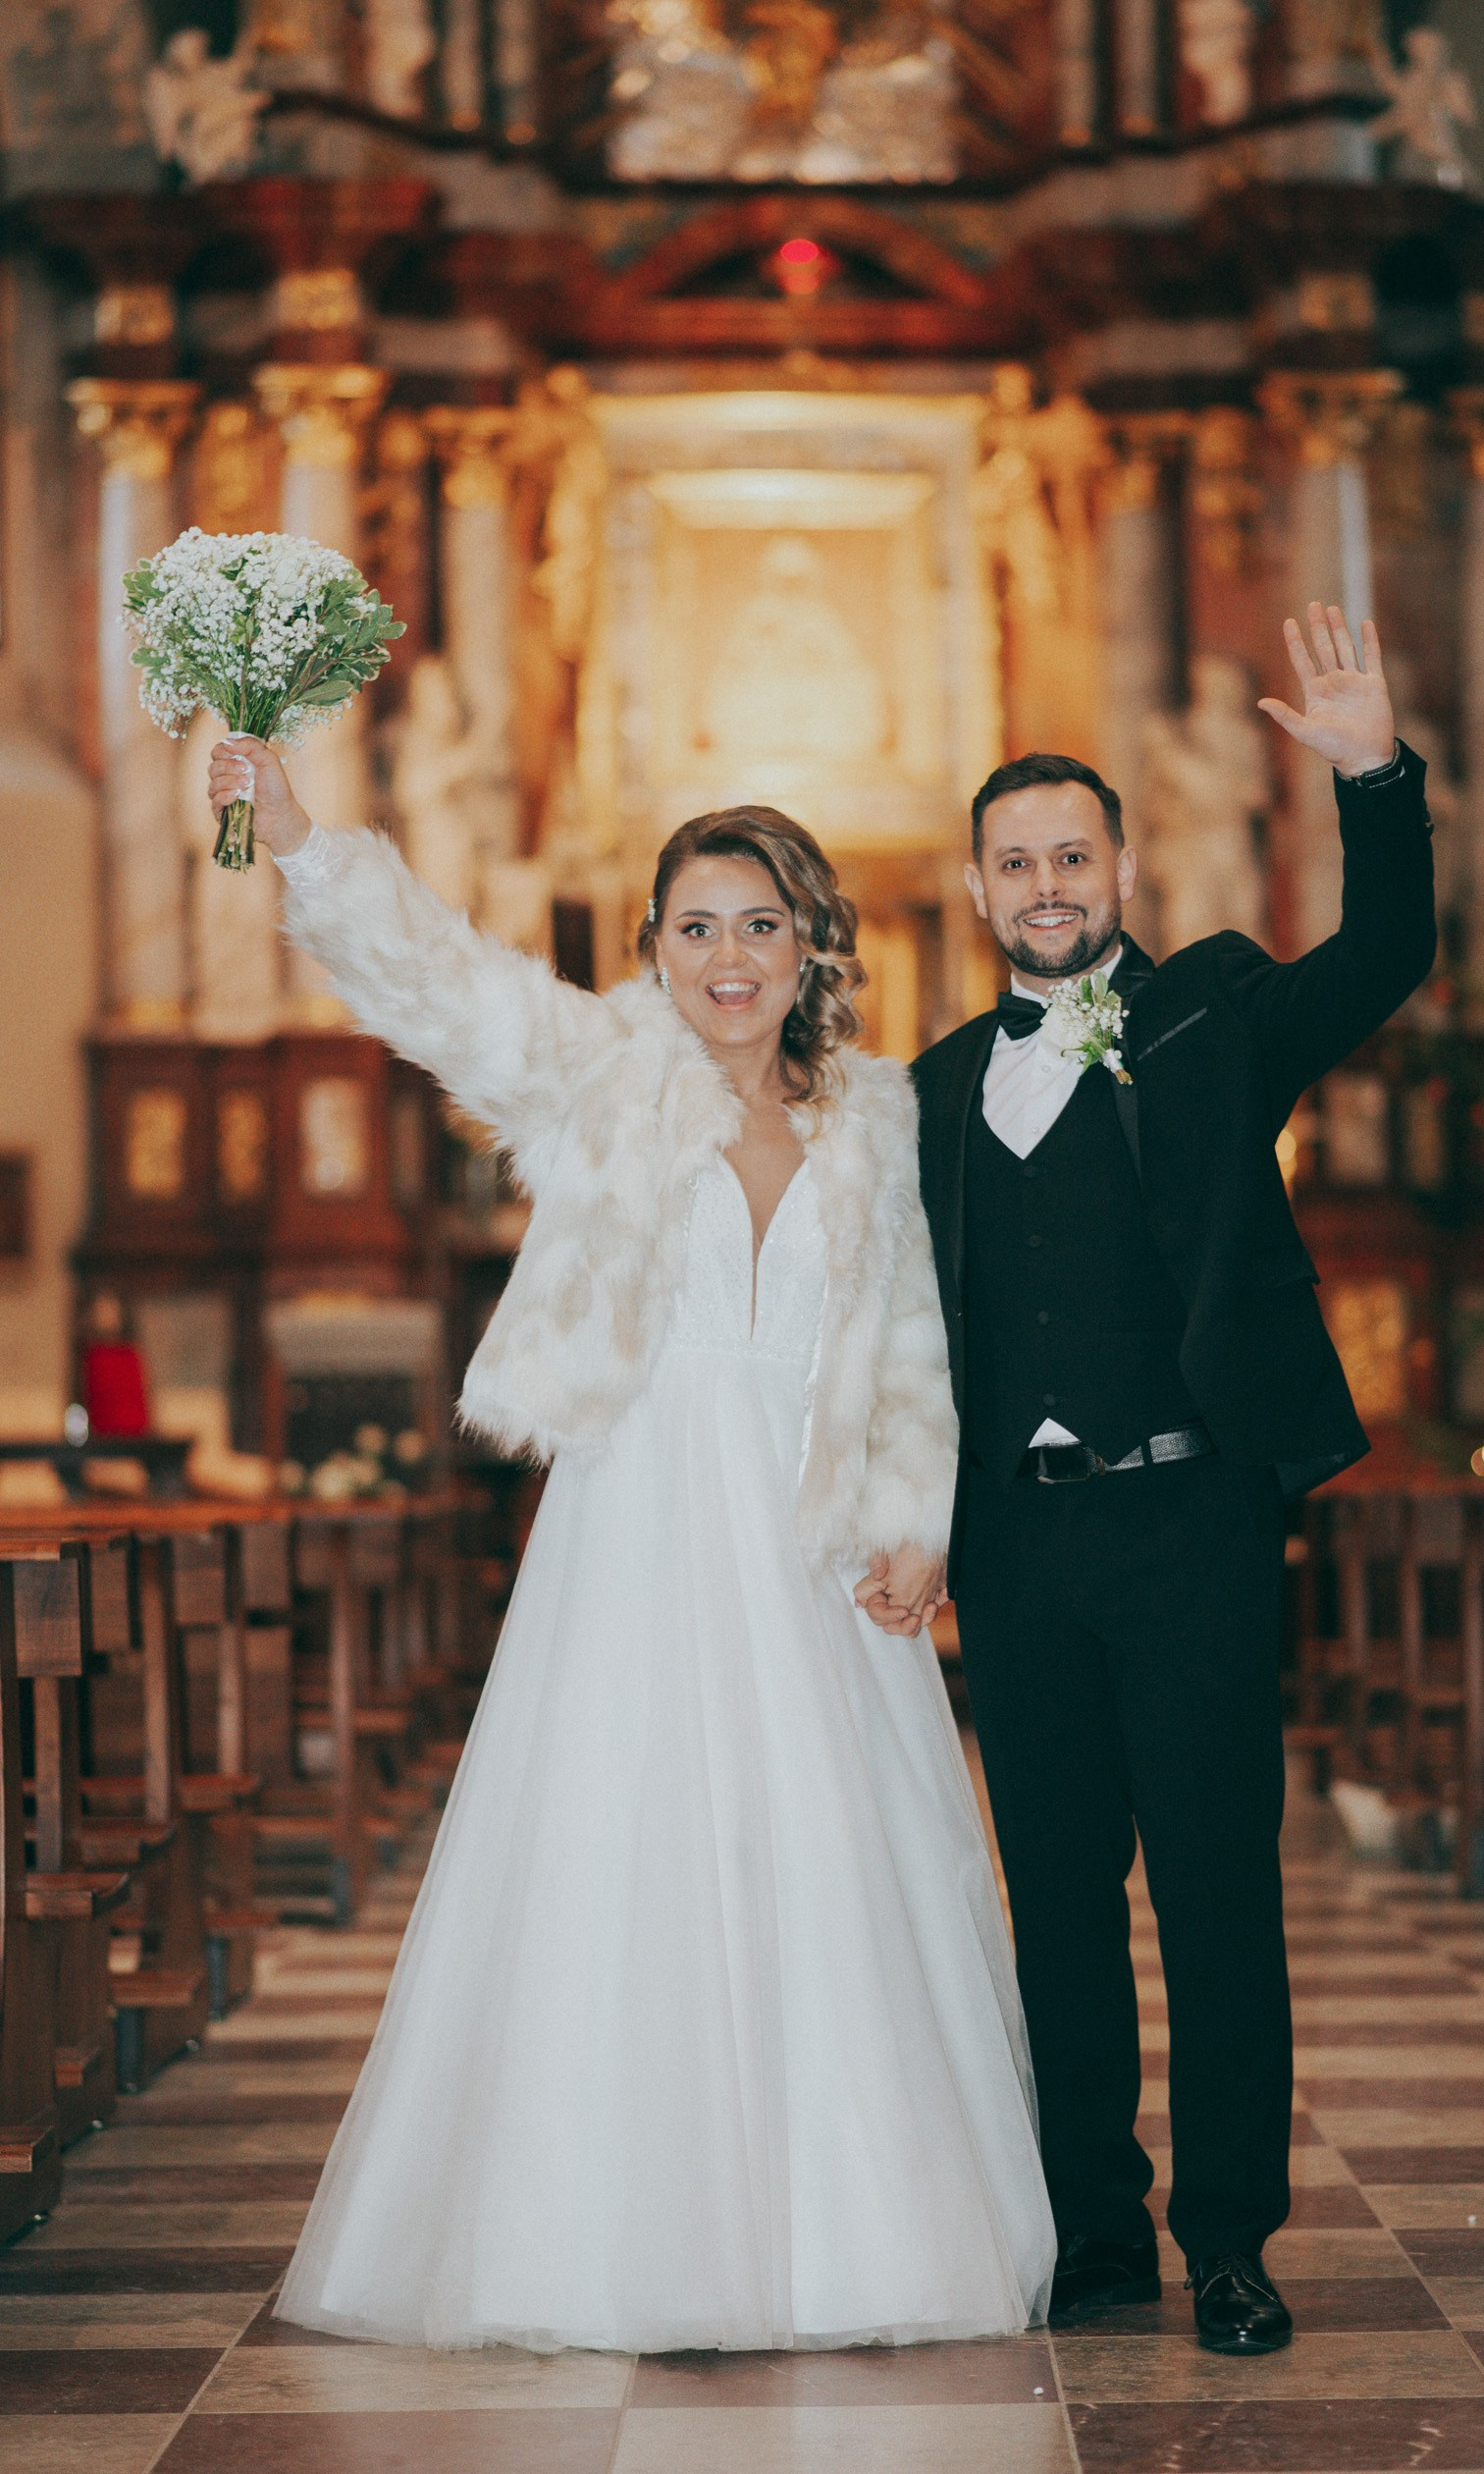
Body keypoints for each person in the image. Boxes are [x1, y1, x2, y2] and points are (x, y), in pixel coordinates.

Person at [205, 734, 1057, 2353]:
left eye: (758, 926)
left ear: (809, 945)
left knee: (820, 1864)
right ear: (651, 945)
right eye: (694, 927)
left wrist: (918, 1528)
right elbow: (438, 982)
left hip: (811, 1552)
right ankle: (602, 2235)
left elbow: (918, 1350)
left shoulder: (879, 1118)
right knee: (623, 1849)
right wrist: (305, 836)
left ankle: (840, 2237)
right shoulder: (599, 1073)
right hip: (640, 1522)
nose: (726, 959)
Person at [900, 604, 1435, 2354]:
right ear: (979, 892)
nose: (1047, 881)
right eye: (1015, 861)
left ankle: (1228, 2243)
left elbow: (1386, 953)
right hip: (1024, 1549)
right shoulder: (931, 1091)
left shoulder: (1212, 1015)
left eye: (1072, 850)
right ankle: (1095, 2239)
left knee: (1217, 1899)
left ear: (1119, 864)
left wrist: (1374, 776)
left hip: (1197, 1521)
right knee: (1056, 1908)